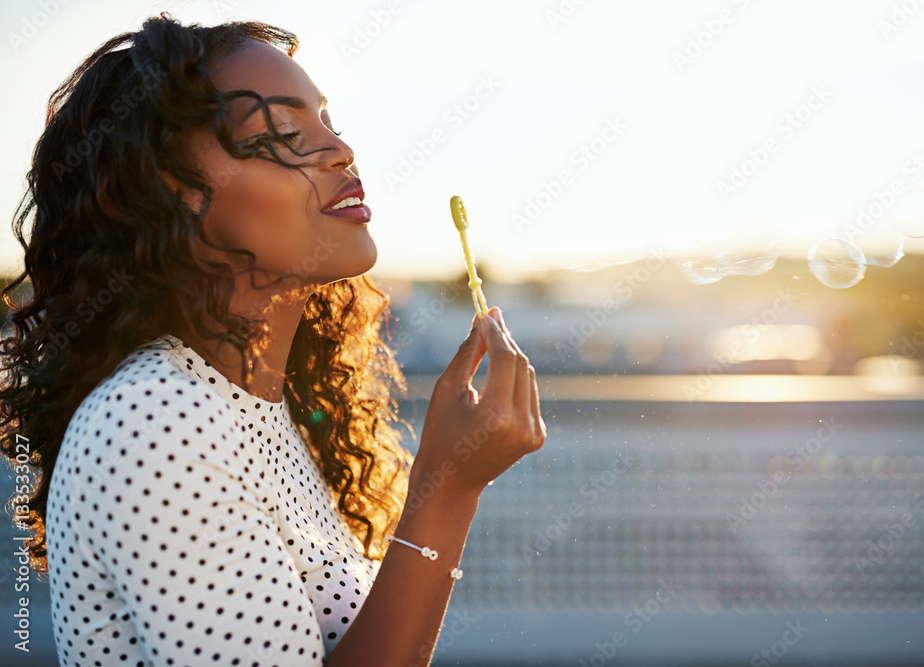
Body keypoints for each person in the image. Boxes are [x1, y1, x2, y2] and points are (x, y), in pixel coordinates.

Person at [0, 14, 545, 666]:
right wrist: (447, 487)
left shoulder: (256, 407)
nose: (341, 151)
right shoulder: (155, 420)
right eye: (283, 132)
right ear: (171, 200)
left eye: (327, 123)